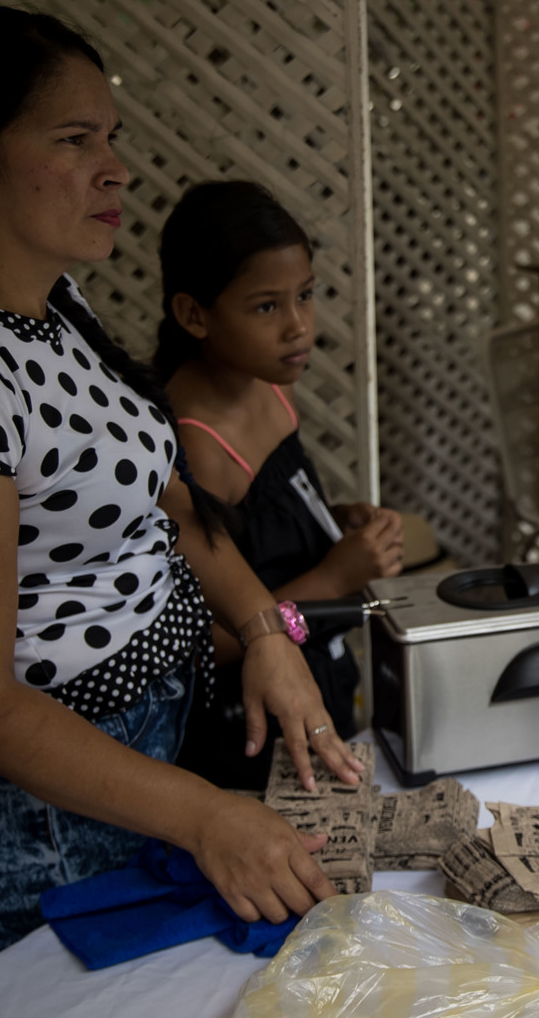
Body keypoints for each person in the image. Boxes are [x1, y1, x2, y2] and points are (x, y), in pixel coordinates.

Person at [0, 7, 363, 955]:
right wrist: (205, 816)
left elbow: (164, 494)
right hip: (21, 825)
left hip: (134, 777)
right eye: (76, 141)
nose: (116, 169)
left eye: (109, 137)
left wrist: (262, 629)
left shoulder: (49, 304)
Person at [155, 181, 405, 788]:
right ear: (194, 314)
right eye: (267, 306)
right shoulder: (193, 450)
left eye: (306, 296)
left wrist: (331, 518)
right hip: (252, 726)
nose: (298, 326)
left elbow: (267, 520)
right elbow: (199, 643)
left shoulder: (269, 382)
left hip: (321, 671)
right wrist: (332, 579)